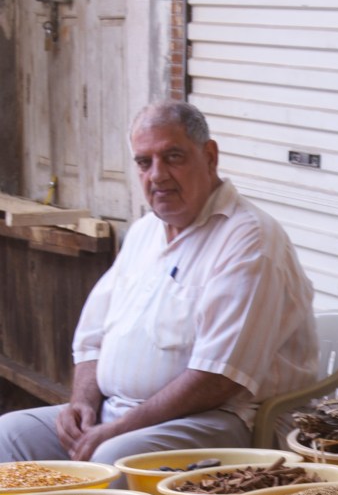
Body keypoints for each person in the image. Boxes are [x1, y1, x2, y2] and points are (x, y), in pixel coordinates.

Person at [0, 101, 318, 469]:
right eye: (144, 162)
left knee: (113, 458)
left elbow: (216, 379)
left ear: (209, 156)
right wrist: (83, 404)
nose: (157, 175)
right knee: (10, 434)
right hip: (117, 415)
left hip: (220, 419)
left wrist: (117, 429)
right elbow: (91, 340)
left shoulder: (249, 239)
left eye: (173, 157)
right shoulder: (144, 232)